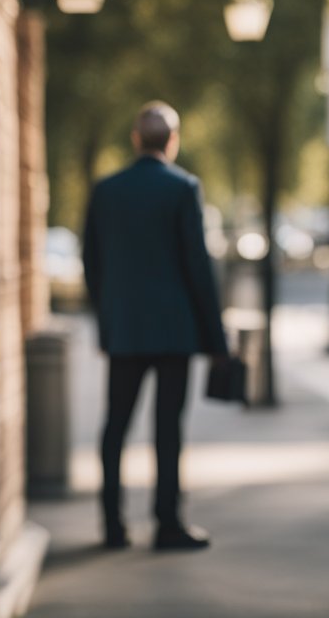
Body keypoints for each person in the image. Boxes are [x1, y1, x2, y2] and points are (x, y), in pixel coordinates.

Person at [82, 101, 229, 551]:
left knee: (115, 426)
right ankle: (167, 524)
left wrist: (106, 317)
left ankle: (112, 525)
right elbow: (197, 268)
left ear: (134, 139)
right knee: (168, 429)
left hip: (124, 330)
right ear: (173, 140)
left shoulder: (105, 191)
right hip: (174, 332)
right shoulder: (184, 188)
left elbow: (91, 261)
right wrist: (216, 339)